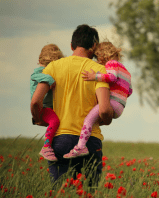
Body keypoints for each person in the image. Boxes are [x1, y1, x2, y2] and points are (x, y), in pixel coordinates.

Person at [30, 24, 113, 186]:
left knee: (61, 192)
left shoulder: (53, 67)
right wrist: (107, 118)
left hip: (60, 140)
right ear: (94, 46)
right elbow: (104, 110)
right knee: (88, 193)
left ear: (71, 45)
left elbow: (35, 101)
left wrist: (39, 119)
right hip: (90, 141)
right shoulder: (99, 70)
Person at [63, 41, 132, 159]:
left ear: (102, 55)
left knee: (88, 119)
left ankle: (80, 147)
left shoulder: (112, 63)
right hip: (120, 106)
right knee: (93, 121)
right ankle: (86, 141)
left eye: (97, 57)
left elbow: (112, 77)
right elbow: (129, 91)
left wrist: (94, 76)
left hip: (112, 103)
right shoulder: (126, 71)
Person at [30, 44, 63, 161]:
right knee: (55, 121)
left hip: (48, 107)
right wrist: (49, 79)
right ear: (39, 61)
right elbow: (35, 76)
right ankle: (46, 146)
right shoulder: (39, 72)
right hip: (43, 107)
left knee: (56, 122)